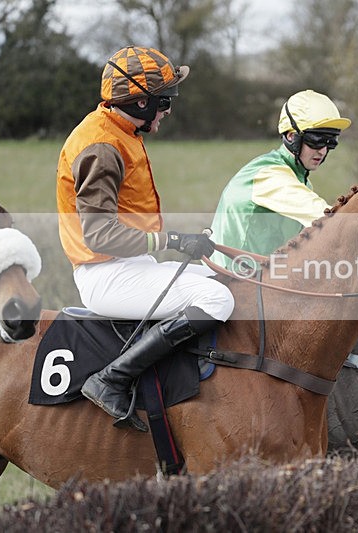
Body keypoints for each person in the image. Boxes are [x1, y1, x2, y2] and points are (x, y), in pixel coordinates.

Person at [56, 46, 235, 432]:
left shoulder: (120, 129)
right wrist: (172, 240)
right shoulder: (101, 146)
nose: (168, 109)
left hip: (130, 266)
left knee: (224, 282)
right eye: (164, 101)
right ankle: (113, 379)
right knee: (216, 298)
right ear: (140, 101)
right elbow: (100, 234)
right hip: (105, 275)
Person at [210, 89, 351, 265]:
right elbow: (325, 217)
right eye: (316, 140)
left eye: (331, 141)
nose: (323, 150)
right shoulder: (268, 174)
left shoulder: (301, 180)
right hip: (227, 281)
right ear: (292, 136)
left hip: (261, 282)